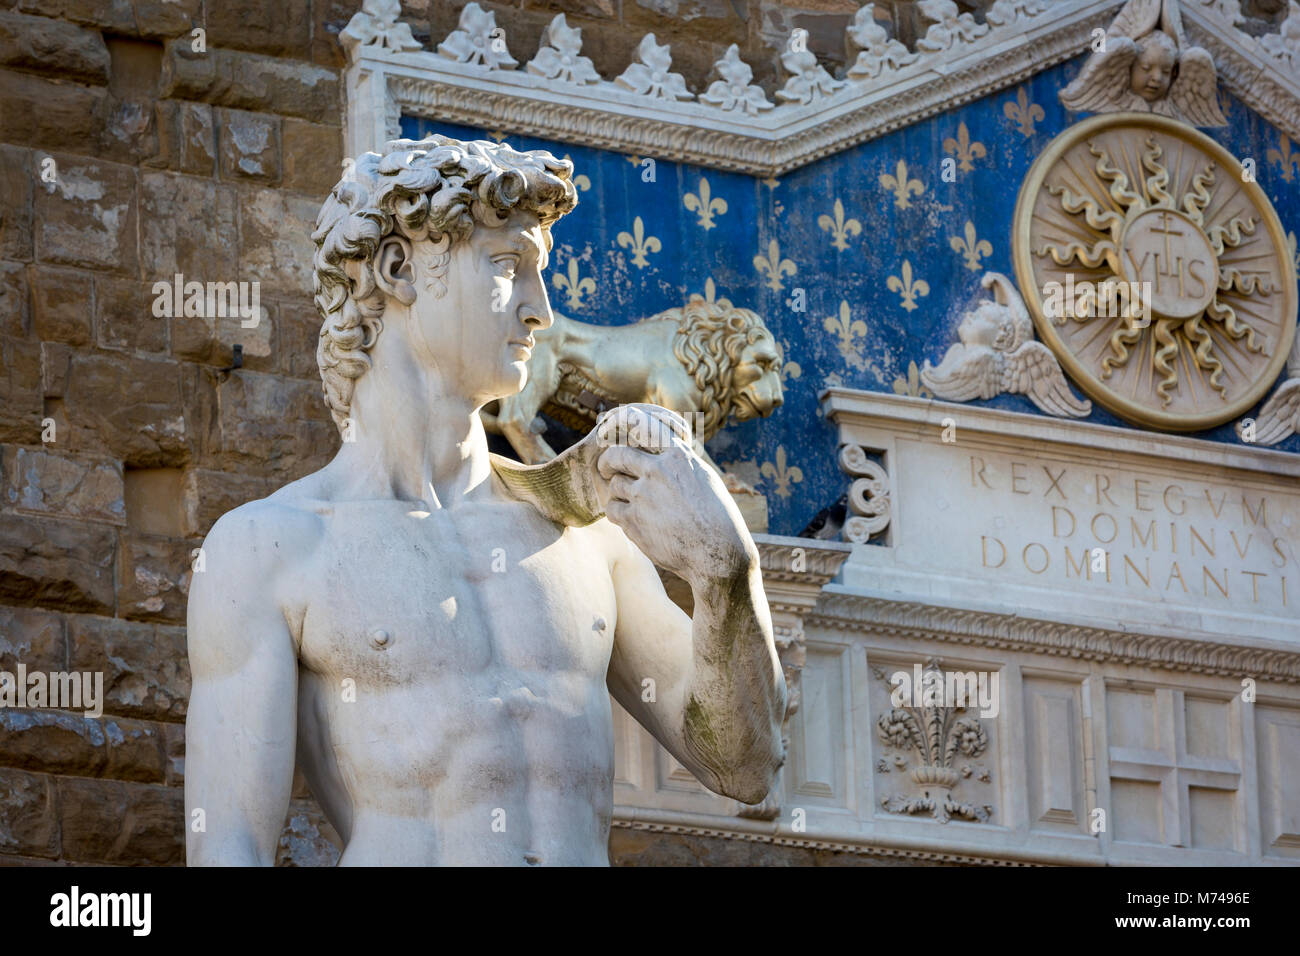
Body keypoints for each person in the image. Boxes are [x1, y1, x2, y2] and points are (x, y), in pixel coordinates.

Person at [183, 135, 786, 866]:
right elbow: (229, 849)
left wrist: (727, 574)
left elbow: (745, 767)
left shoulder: (583, 534)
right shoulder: (269, 550)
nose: (541, 312)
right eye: (509, 267)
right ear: (399, 270)